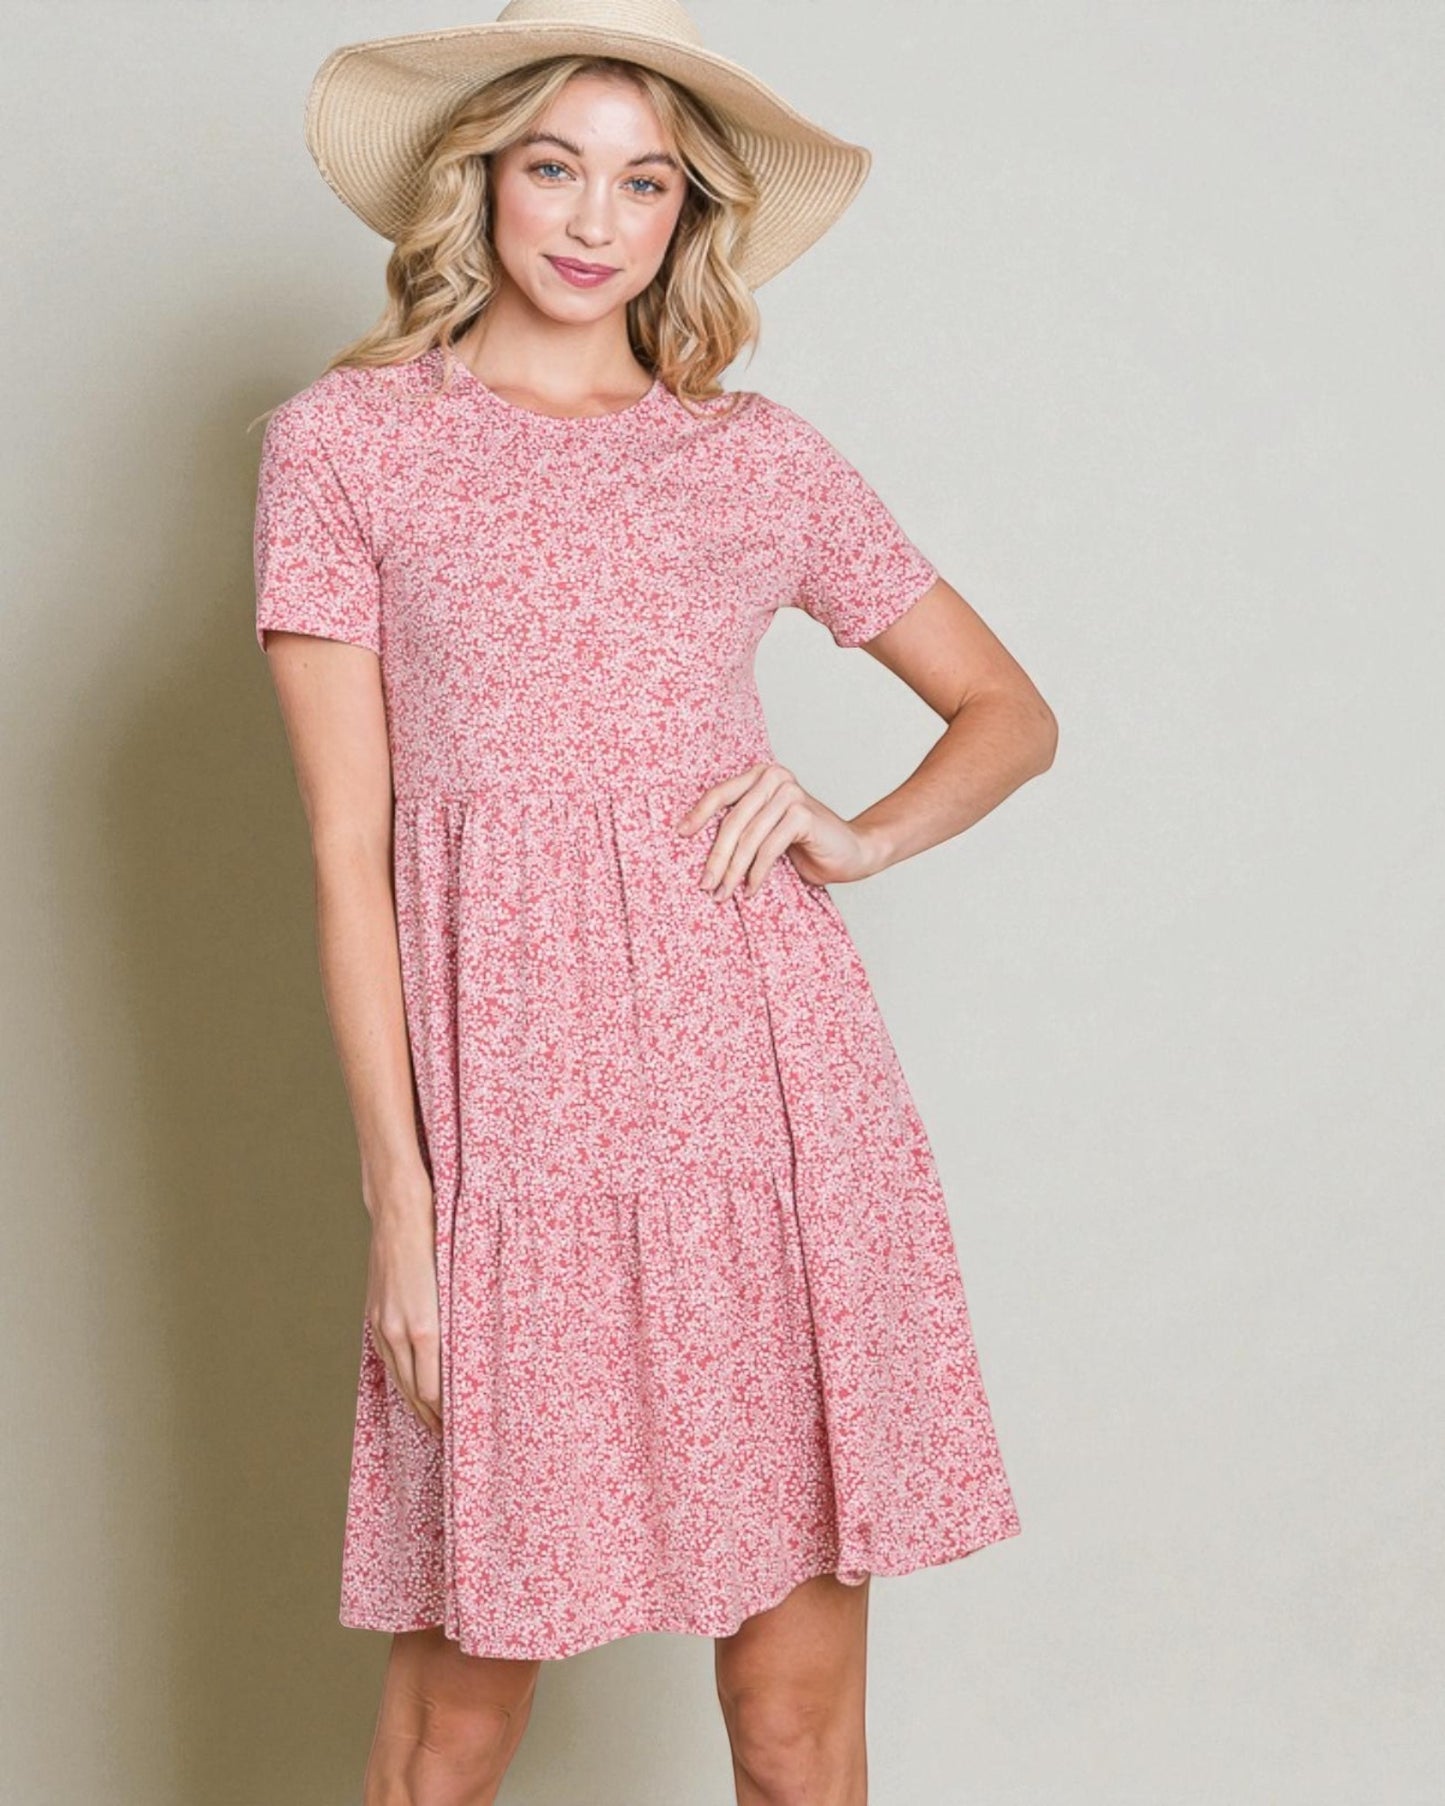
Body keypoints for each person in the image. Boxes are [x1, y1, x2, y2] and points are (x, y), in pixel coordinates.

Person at [251, 3, 1056, 1801]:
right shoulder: (345, 445)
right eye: (555, 165)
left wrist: (851, 832)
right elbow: (342, 851)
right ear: (484, 181)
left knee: (791, 1717)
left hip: (765, 1103)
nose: (592, 218)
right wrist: (404, 1199)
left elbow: (1009, 713)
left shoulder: (750, 457)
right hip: (508, 1123)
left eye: (643, 181)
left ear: (688, 217)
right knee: (451, 1727)